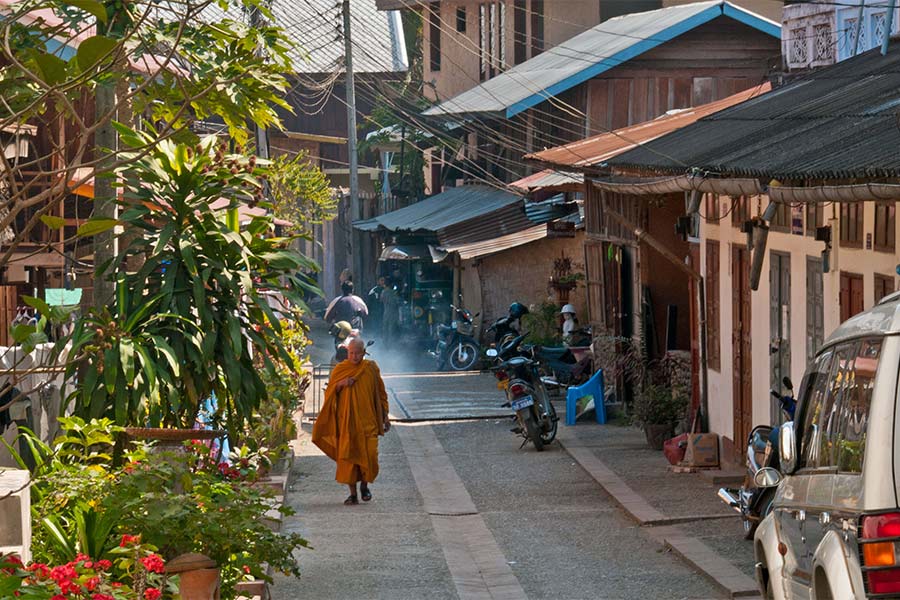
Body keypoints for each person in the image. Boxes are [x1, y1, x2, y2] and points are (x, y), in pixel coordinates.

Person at [312, 338, 390, 505]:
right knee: (348, 459)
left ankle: (364, 486)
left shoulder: (371, 368)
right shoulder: (340, 369)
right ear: (347, 353)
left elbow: (381, 393)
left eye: (358, 353)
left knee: (370, 456)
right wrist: (341, 383)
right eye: (351, 353)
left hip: (368, 422)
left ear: (364, 353)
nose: (354, 357)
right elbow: (329, 395)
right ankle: (353, 494)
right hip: (347, 423)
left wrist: (385, 415)